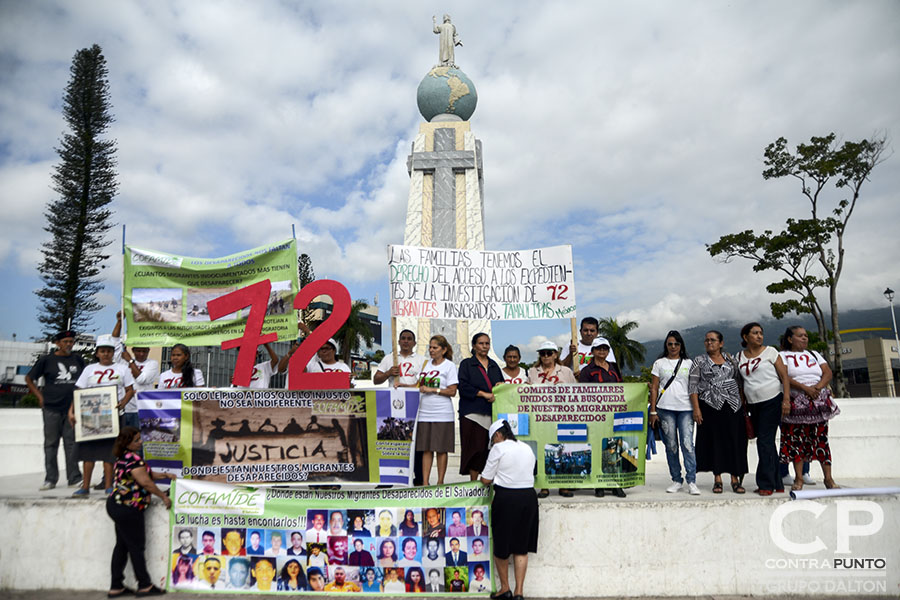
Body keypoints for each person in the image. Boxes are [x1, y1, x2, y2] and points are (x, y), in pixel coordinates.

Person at [105, 427, 171, 597]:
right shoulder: (134, 460)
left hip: (117, 505)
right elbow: (146, 482)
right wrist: (163, 497)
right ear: (127, 443)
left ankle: (116, 585)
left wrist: (164, 475)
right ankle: (144, 585)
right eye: (136, 440)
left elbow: (145, 474)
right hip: (128, 508)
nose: (140, 442)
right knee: (136, 546)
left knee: (122, 546)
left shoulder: (123, 458)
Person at [71, 334, 136, 497]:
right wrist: (71, 410)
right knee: (88, 454)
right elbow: (78, 391)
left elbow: (130, 390)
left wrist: (123, 403)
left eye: (109, 351)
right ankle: (85, 486)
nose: (106, 354)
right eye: (102, 351)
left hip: (113, 417)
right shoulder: (89, 369)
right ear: (97, 353)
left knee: (110, 453)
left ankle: (109, 485)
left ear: (113, 352)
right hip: (90, 418)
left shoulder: (122, 369)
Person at [480, 419, 538, 600]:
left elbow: (486, 479)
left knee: (502, 547)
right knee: (521, 548)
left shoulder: (498, 449)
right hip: (528, 498)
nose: (493, 444)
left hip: (507, 499)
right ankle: (519, 591)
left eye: (493, 440)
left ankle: (505, 589)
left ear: (498, 435)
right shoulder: (526, 447)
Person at [778, 326, 840, 490]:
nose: (805, 338)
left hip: (817, 401)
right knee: (797, 440)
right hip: (796, 400)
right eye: (800, 336)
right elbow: (784, 376)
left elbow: (827, 372)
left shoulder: (814, 354)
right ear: (790, 339)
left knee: (821, 440)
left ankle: (828, 479)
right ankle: (798, 479)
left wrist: (817, 388)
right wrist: (806, 389)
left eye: (806, 335)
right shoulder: (782, 355)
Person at [689, 330, 749, 494]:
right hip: (710, 406)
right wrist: (696, 409)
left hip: (733, 406)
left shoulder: (731, 359)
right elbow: (693, 386)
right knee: (715, 441)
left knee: (734, 441)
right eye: (707, 340)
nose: (709, 343)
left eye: (713, 340)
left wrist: (743, 403)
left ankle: (735, 478)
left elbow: (740, 382)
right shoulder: (699, 361)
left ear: (721, 343)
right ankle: (717, 479)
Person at [27, 329, 85, 491]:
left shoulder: (78, 360)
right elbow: (29, 378)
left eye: (71, 342)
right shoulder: (47, 360)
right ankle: (50, 479)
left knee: (72, 444)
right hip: (51, 408)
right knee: (51, 444)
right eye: (65, 342)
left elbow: (85, 380)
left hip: (71, 410)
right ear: (57, 343)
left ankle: (74, 478)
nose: (69, 344)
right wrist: (39, 396)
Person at [738, 322, 791, 496]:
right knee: (767, 442)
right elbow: (741, 382)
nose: (759, 336)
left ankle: (766, 484)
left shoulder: (771, 352)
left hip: (772, 400)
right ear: (746, 337)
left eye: (761, 332)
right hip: (753, 403)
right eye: (755, 333)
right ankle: (777, 483)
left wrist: (786, 400)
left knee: (764, 441)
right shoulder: (739, 356)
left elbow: (784, 376)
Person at [649, 331, 700, 495]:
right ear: (666, 345)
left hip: (685, 408)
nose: (673, 347)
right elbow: (654, 387)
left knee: (687, 445)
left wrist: (696, 408)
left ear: (681, 346)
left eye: (676, 344)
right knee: (671, 446)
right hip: (665, 408)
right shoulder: (659, 363)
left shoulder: (689, 363)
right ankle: (677, 479)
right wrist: (653, 411)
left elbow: (694, 387)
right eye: (670, 344)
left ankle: (692, 480)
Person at [577, 338, 626, 498]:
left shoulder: (613, 368)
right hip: (595, 417)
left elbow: (622, 388)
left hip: (614, 416)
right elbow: (582, 395)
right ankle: (599, 484)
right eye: (599, 349)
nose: (602, 352)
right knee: (598, 448)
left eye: (605, 349)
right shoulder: (587, 371)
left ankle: (614, 484)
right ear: (593, 351)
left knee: (613, 448)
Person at [528, 340, 577, 498]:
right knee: (542, 451)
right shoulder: (532, 372)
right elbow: (523, 394)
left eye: (549, 353)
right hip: (540, 418)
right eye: (543, 353)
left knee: (563, 450)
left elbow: (576, 393)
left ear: (556, 354)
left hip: (562, 417)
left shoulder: (565, 372)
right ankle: (544, 486)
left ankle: (563, 485)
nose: (546, 356)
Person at [457, 333, 504, 480]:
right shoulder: (466, 364)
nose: (484, 346)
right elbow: (463, 386)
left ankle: (487, 480)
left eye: (487, 343)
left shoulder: (494, 365)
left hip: (490, 413)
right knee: (474, 449)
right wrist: (483, 394)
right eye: (481, 343)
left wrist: (500, 387)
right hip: (472, 413)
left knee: (487, 450)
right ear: (474, 345)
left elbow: (501, 384)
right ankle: (473, 482)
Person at [416, 335, 459, 485]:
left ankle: (440, 481)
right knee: (426, 449)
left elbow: (452, 391)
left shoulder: (449, 366)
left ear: (444, 349)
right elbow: (418, 386)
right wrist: (401, 385)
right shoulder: (425, 365)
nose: (431, 350)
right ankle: (425, 483)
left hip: (442, 413)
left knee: (441, 449)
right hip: (424, 412)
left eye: (435, 347)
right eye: (430, 347)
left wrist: (434, 390)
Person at [112, 312, 159, 429]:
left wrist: (130, 361)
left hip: (141, 409)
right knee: (122, 442)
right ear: (133, 350)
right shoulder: (122, 361)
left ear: (148, 351)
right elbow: (115, 341)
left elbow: (142, 379)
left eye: (144, 351)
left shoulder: (152, 364)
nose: (141, 354)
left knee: (139, 443)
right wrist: (119, 322)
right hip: (123, 408)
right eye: (138, 351)